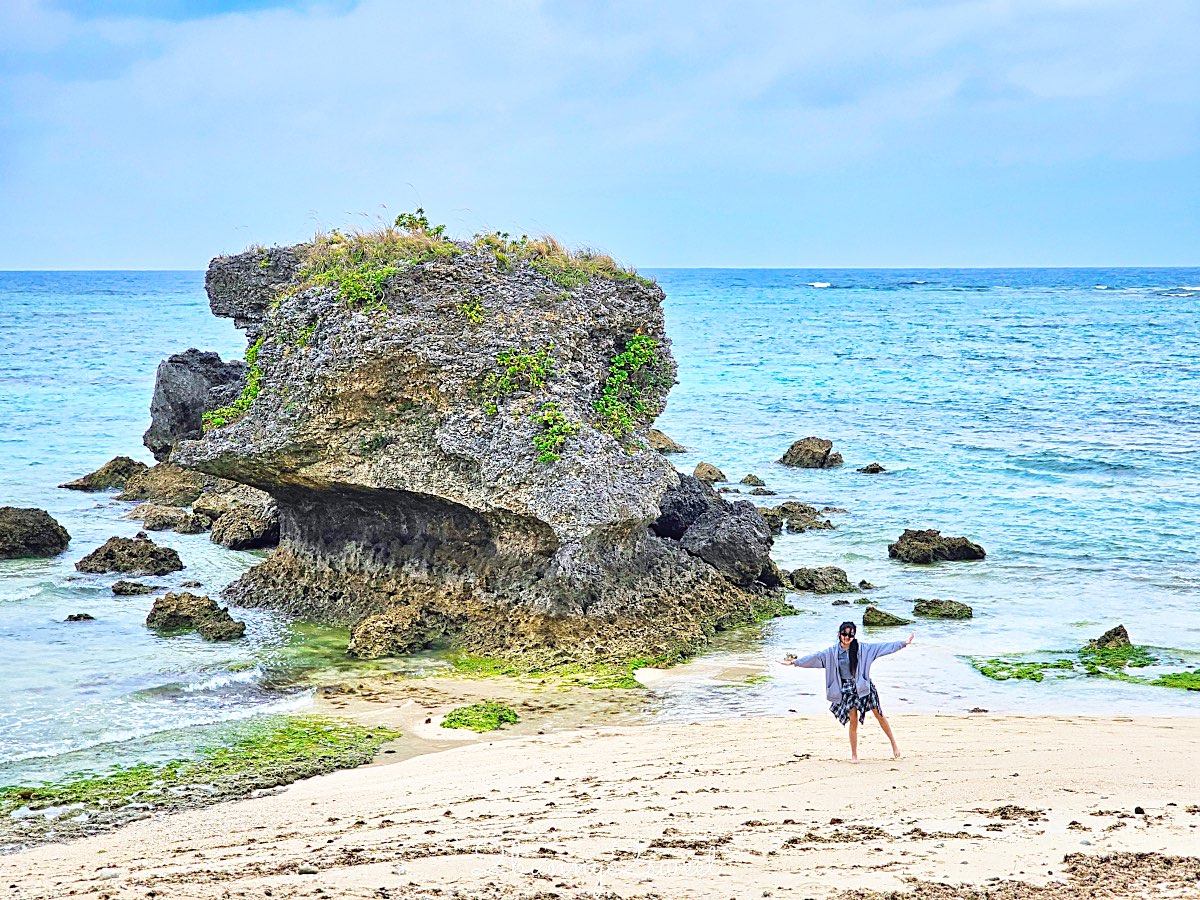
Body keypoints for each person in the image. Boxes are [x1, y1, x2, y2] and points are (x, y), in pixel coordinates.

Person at [778, 622, 914, 762]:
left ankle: (894, 745)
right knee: (853, 721)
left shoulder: (863, 649)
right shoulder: (831, 653)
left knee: (879, 715)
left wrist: (903, 643)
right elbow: (814, 658)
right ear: (839, 634)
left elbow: (882, 648)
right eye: (844, 634)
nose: (847, 637)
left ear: (854, 636)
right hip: (847, 690)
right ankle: (854, 755)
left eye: (850, 635)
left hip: (864, 686)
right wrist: (795, 662)